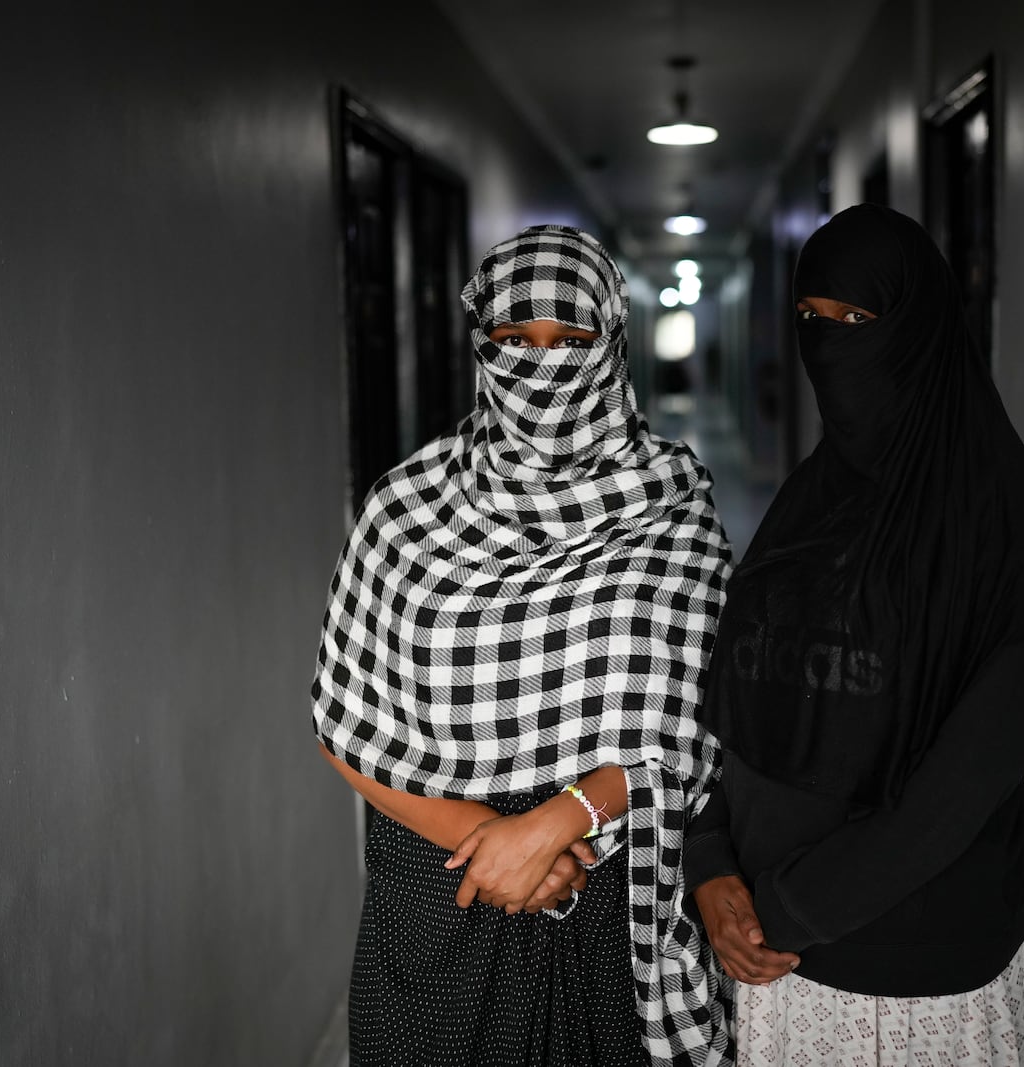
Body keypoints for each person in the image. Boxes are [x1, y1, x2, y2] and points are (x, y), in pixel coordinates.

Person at [312, 225, 733, 1066]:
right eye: (515, 342)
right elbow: (344, 719)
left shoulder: (675, 511)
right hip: (443, 898)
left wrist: (558, 824)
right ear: (482, 346)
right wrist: (495, 840)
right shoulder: (405, 510)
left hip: (610, 910)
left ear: (613, 345)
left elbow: (702, 729)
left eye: (570, 341)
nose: (542, 367)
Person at [685, 204, 1024, 1065]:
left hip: (927, 967)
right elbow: (742, 702)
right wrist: (711, 865)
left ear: (919, 328)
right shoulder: (808, 502)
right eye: (811, 321)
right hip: (781, 971)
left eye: (858, 321)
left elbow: (969, 778)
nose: (831, 346)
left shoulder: (994, 518)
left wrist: (780, 913)